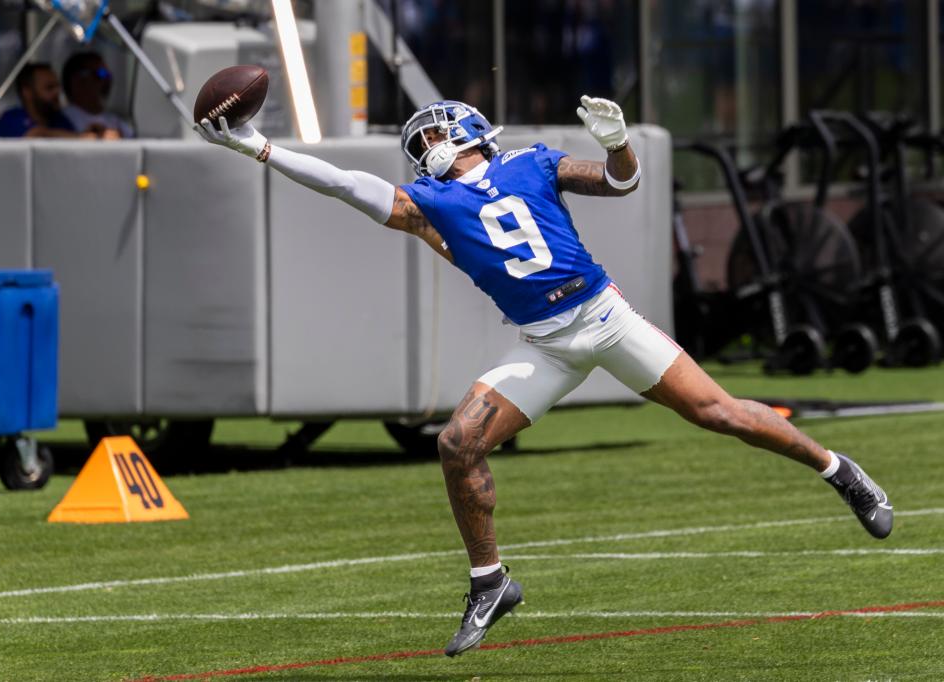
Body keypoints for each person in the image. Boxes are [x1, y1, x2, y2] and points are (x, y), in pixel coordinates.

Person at [196, 97, 893, 657]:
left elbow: (621, 182)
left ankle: (839, 470)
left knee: (719, 413)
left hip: (605, 317)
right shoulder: (431, 206)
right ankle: (490, 581)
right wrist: (258, 146)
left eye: (429, 134)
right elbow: (347, 184)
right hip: (545, 343)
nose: (422, 148)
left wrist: (619, 143)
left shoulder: (532, 161)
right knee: (456, 443)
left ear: (463, 130)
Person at [0, 63, 79, 138]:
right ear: (27, 92)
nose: (57, 92)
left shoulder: (59, 119)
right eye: (49, 88)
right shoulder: (11, 119)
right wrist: (80, 137)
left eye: (57, 86)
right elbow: (34, 135)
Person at [61, 51, 134, 139]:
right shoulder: (63, 119)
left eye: (105, 74)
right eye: (99, 73)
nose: (105, 79)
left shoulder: (115, 121)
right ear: (75, 80)